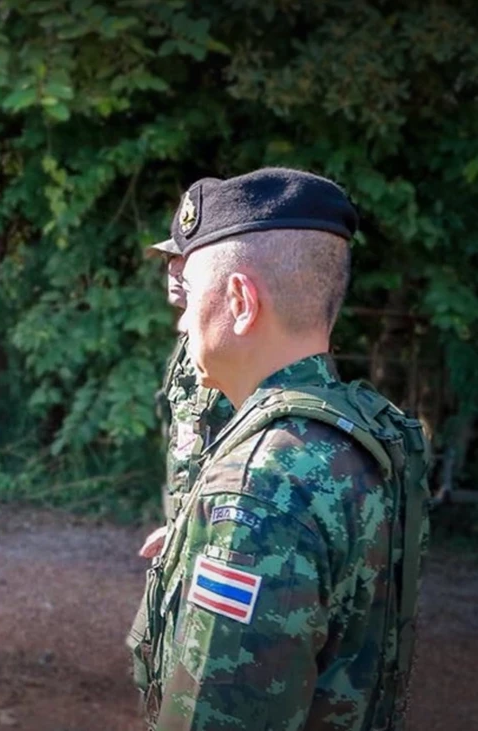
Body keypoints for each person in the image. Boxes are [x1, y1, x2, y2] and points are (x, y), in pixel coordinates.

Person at [128, 168, 432, 730]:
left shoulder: (260, 486)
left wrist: (241, 527)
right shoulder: (365, 435)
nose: (183, 322)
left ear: (241, 301)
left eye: (188, 299)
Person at [136, 240, 235, 560]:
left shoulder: (233, 346)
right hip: (190, 526)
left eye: (185, 257)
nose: (173, 268)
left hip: (224, 535)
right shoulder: (190, 340)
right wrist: (179, 525)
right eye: (169, 258)